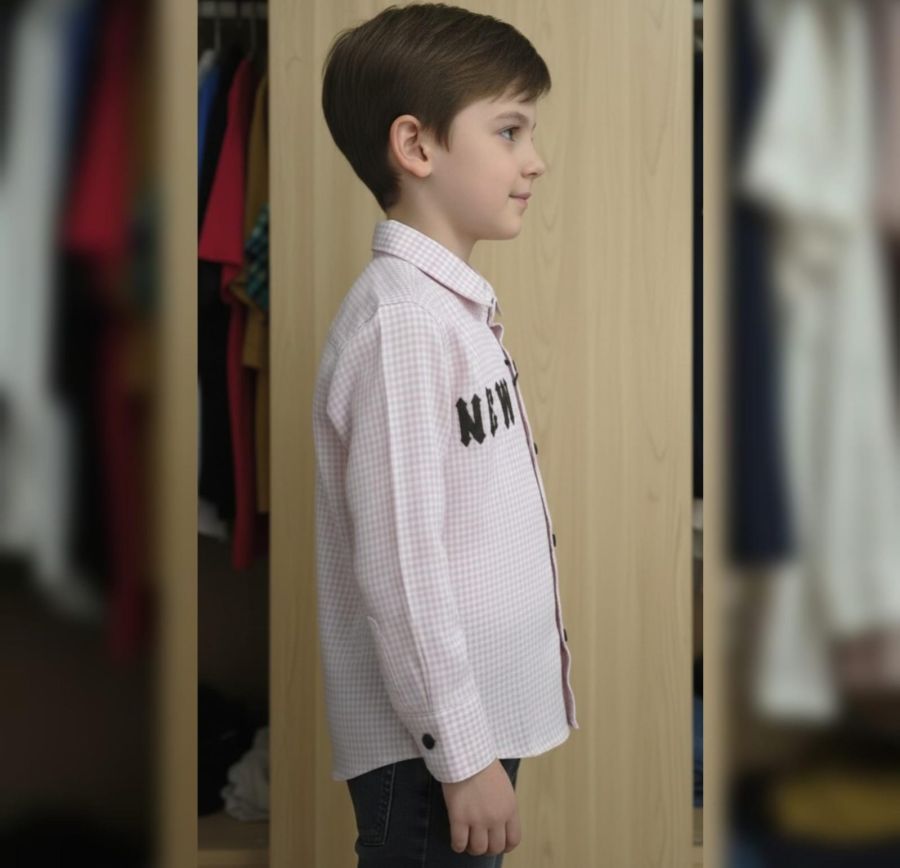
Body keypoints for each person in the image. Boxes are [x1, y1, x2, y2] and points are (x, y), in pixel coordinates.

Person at [313, 4, 579, 865]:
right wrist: (462, 756)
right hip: (430, 751)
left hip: (462, 730)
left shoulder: (446, 312)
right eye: (509, 130)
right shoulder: (403, 326)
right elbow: (401, 566)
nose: (534, 159)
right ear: (416, 147)